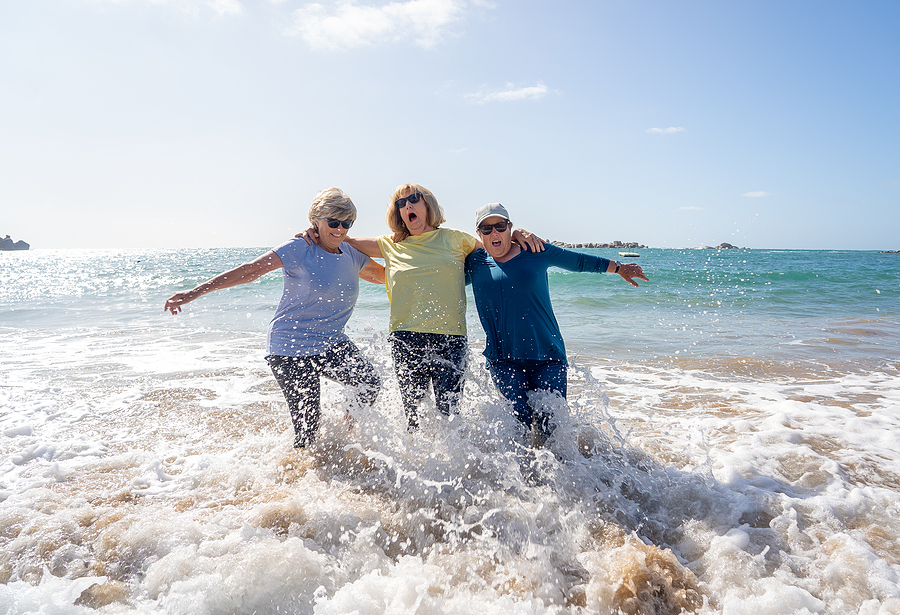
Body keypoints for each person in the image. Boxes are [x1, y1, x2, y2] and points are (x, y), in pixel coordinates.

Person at [301, 183, 543, 431]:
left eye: (413, 199)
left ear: (428, 204)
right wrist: (314, 230)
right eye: (401, 204)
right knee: (414, 419)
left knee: (451, 419)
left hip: (450, 339)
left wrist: (517, 234)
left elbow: (498, 248)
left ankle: (452, 468)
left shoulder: (455, 239)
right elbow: (342, 239)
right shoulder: (390, 244)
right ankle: (414, 466)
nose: (407, 206)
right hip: (405, 340)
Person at [164, 188, 385, 449]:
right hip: (291, 348)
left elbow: (387, 277)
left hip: (331, 342)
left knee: (368, 382)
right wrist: (194, 292)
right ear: (316, 221)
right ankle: (297, 476)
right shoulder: (299, 248)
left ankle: (345, 437)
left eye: (346, 223)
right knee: (308, 430)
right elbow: (249, 271)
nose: (340, 229)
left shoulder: (352, 254)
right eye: (333, 222)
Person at [464, 203, 649, 447]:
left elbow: (577, 261)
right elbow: (439, 273)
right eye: (486, 229)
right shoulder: (473, 262)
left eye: (500, 226)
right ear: (479, 234)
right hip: (503, 358)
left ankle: (565, 484)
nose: (494, 233)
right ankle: (520, 485)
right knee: (516, 429)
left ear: (510, 227)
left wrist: (618, 268)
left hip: (547, 356)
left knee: (552, 431)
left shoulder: (536, 250)